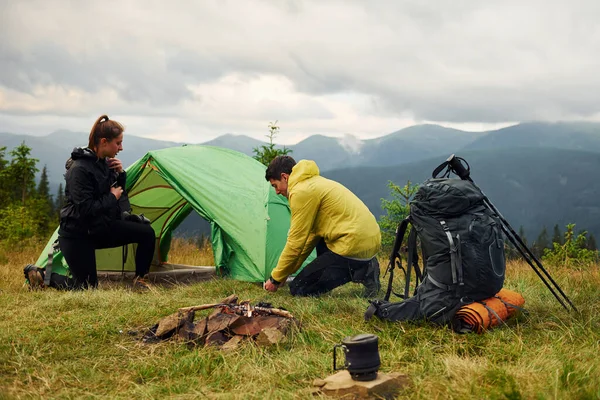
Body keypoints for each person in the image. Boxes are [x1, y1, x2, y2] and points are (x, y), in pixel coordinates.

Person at [28, 115, 156, 290]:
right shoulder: (79, 169)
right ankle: (43, 276)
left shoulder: (104, 163)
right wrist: (112, 196)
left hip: (100, 227)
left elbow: (119, 201)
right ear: (104, 141)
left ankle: (140, 280)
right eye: (118, 143)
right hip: (77, 234)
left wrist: (120, 175)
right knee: (87, 288)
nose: (121, 148)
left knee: (146, 233)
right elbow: (86, 208)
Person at [263, 155, 381, 297]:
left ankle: (363, 270)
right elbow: (309, 239)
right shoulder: (313, 183)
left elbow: (295, 243)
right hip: (368, 241)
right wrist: (283, 274)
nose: (276, 191)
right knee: (319, 240)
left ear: (285, 177)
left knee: (299, 288)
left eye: (275, 185)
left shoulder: (300, 192)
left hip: (352, 244)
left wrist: (275, 278)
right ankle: (363, 265)